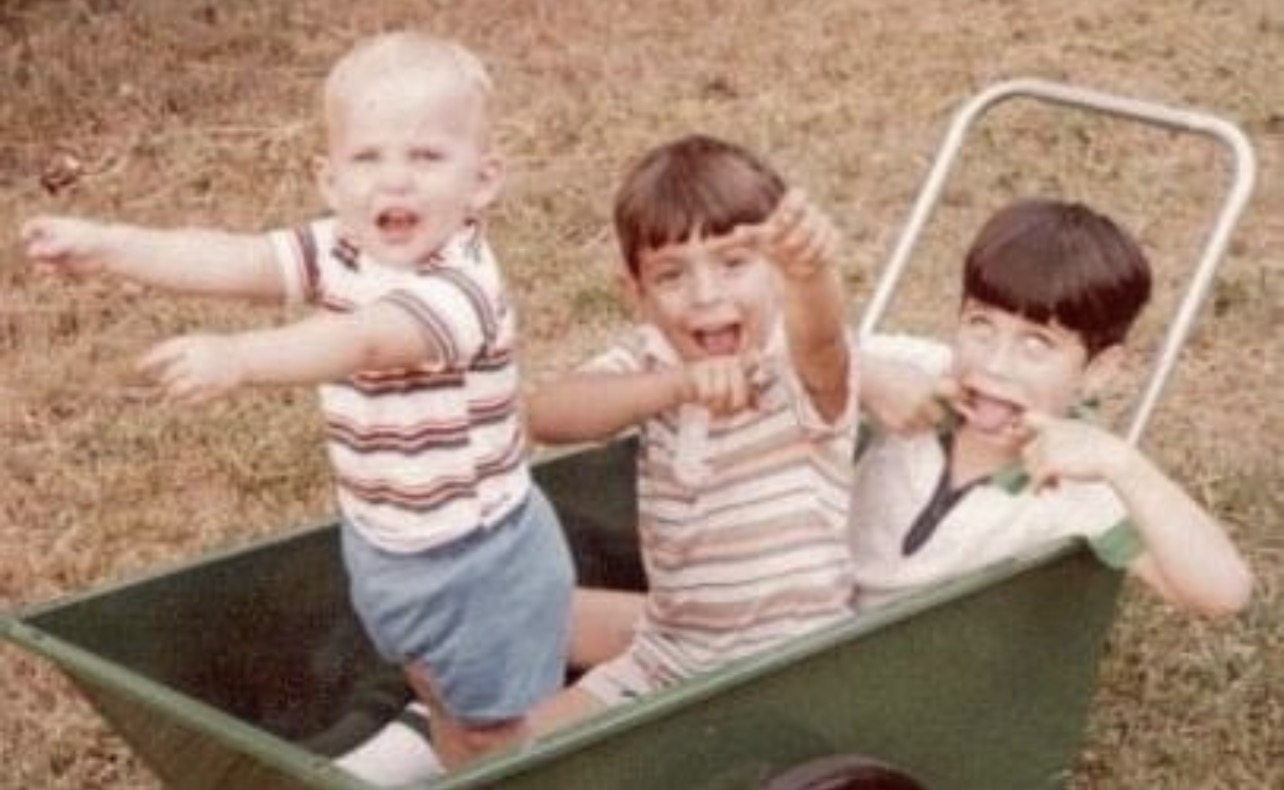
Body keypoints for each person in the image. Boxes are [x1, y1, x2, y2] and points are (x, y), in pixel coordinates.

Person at [20, 31, 574, 782]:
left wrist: (242, 358)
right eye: (369, 158)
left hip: (479, 566)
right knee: (438, 690)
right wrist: (111, 246)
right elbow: (234, 259)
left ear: (483, 180)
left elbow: (366, 341)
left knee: (493, 732)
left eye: (427, 157)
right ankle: (446, 742)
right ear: (329, 178)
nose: (396, 182)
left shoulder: (461, 288)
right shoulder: (342, 249)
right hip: (387, 547)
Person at [518, 133, 867, 733]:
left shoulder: (796, 370)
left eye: (734, 263)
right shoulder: (653, 363)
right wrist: (675, 386)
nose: (706, 295)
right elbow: (545, 414)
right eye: (672, 276)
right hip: (670, 655)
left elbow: (823, 339)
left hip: (790, 665)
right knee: (516, 761)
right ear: (637, 292)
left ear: (775, 274)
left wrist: (810, 275)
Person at [848, 198, 1253, 616]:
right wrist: (864, 372)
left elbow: (1224, 594)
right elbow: (783, 348)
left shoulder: (1079, 485)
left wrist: (1121, 463)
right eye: (980, 325)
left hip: (905, 659)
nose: (994, 364)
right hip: (804, 611)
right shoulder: (919, 371)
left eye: (1036, 344)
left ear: (1097, 370)